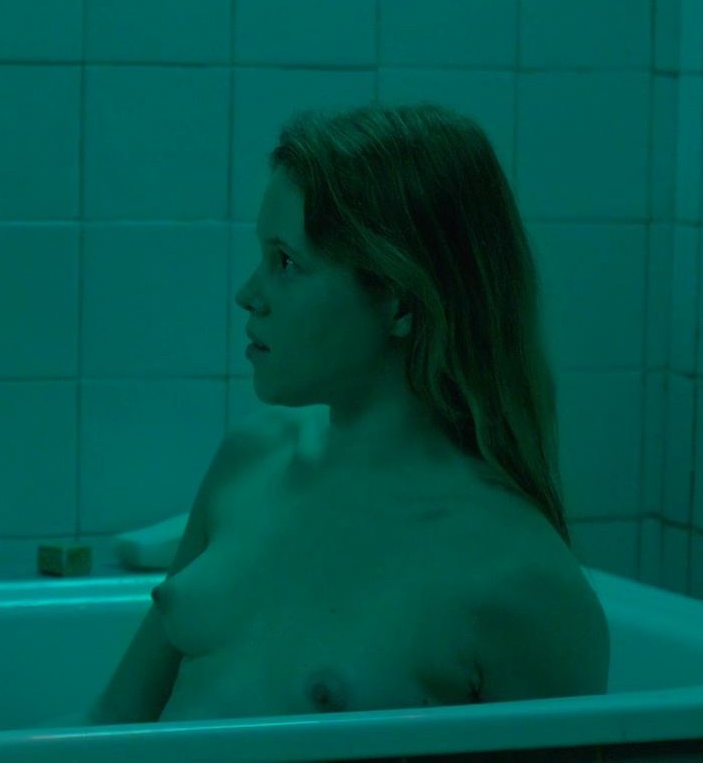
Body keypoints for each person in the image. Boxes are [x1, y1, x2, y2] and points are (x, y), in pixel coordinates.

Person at [89, 103, 610, 723]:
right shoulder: (251, 460)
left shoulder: (521, 580)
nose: (248, 294)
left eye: (286, 262)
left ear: (400, 303)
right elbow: (111, 722)